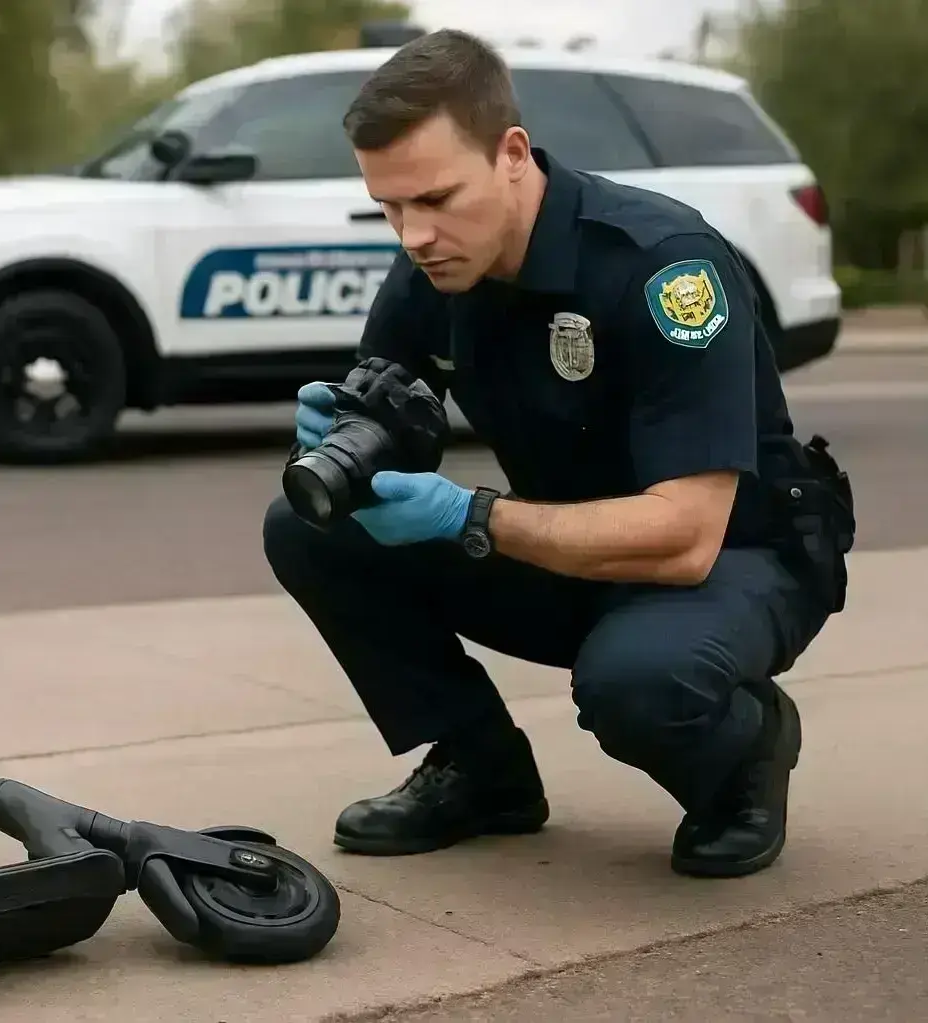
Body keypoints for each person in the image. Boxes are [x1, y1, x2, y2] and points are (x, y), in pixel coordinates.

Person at [262, 28, 852, 879]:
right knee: (308, 524)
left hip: (733, 557)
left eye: (434, 198)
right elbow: (399, 417)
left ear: (510, 154)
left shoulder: (660, 266)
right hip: (572, 554)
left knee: (637, 680)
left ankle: (744, 752)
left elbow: (686, 536)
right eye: (391, 207)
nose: (413, 234)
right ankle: (482, 767)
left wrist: (469, 515)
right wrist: (347, 432)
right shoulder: (436, 268)